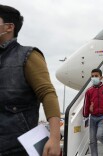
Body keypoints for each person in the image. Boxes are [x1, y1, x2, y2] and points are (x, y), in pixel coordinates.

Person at [0, 5, 61, 156]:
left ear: (9, 27)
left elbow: (48, 94)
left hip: (17, 148)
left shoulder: (28, 55)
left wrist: (54, 138)